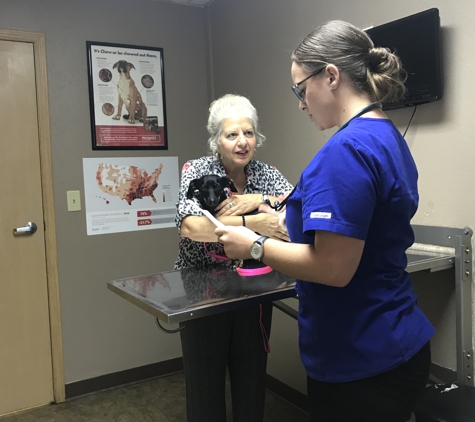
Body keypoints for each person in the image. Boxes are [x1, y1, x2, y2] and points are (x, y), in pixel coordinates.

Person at [216, 20, 435, 422]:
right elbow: (357, 227)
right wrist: (287, 220)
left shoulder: (345, 151)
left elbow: (333, 268)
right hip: (396, 337)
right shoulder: (386, 135)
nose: (301, 103)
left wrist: (254, 245)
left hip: (361, 356)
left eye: (301, 89)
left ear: (331, 76)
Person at [174, 93, 293, 422]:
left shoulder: (265, 174)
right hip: (203, 294)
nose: (242, 142)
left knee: (252, 380)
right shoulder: (197, 169)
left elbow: (299, 206)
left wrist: (258, 198)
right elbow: (192, 226)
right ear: (217, 140)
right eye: (232, 135)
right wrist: (254, 221)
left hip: (255, 289)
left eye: (249, 133)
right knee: (205, 388)